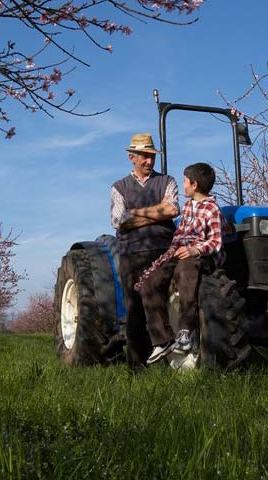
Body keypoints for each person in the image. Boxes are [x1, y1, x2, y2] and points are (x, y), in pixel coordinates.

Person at [134, 162, 225, 365]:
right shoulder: (187, 206)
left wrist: (195, 250)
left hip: (199, 257)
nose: (182, 185)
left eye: (184, 181)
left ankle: (186, 331)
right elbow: (179, 235)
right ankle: (162, 339)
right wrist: (168, 255)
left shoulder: (212, 209)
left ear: (194, 184)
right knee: (150, 282)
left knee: (186, 272)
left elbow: (216, 242)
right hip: (179, 252)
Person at [111, 133, 179, 371]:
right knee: (136, 308)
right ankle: (137, 367)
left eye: (151, 156)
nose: (149, 161)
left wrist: (137, 212)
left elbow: (172, 209)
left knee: (166, 302)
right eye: (144, 157)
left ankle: (173, 359)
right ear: (132, 158)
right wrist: (156, 212)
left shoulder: (167, 181)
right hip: (132, 252)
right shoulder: (119, 187)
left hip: (164, 249)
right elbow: (119, 220)